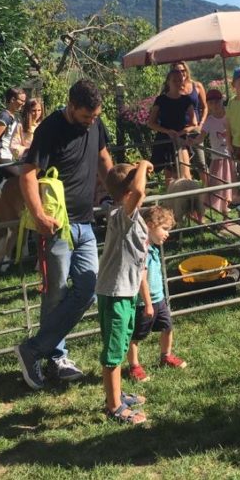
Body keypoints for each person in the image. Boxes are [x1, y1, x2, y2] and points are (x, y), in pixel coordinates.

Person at [15, 80, 113, 389]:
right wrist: (40, 216)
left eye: (95, 116)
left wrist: (119, 196)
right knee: (55, 292)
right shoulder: (50, 129)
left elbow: (104, 160)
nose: (91, 122)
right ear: (71, 106)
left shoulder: (96, 126)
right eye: (86, 116)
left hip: (86, 224)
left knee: (87, 288)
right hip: (57, 226)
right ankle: (56, 357)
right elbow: (27, 173)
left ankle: (33, 350)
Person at [96, 160, 154, 425]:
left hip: (126, 292)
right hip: (115, 293)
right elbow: (139, 192)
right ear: (128, 192)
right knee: (114, 349)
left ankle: (117, 395)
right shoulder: (122, 215)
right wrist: (142, 164)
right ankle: (114, 407)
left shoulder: (132, 217)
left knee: (120, 344)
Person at [127, 205, 186, 383]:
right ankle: (134, 366)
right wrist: (148, 304)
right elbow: (141, 279)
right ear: (150, 225)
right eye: (165, 229)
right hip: (144, 303)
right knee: (135, 336)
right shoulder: (142, 249)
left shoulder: (152, 247)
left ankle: (166, 356)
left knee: (167, 327)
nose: (168, 234)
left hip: (158, 298)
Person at [147, 68, 198, 186]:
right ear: (168, 82)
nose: (177, 83)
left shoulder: (186, 99)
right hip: (165, 140)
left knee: (185, 173)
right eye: (174, 80)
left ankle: (187, 200)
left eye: (180, 80)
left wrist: (180, 133)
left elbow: (194, 123)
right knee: (169, 176)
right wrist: (167, 131)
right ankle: (172, 202)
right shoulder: (161, 100)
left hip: (180, 139)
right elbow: (151, 123)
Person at [190, 89, 234, 217]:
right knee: (214, 186)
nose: (215, 105)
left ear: (222, 101)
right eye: (211, 103)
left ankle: (226, 213)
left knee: (229, 188)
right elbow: (201, 137)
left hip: (230, 156)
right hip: (217, 157)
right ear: (208, 104)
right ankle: (200, 212)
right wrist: (191, 141)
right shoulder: (209, 120)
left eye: (217, 102)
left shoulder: (229, 116)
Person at [170, 61, 208, 183]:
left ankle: (209, 191)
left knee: (201, 162)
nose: (181, 74)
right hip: (179, 130)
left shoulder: (197, 86)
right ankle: (186, 190)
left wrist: (201, 123)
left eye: (183, 70)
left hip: (195, 129)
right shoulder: (173, 88)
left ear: (187, 71)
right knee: (182, 164)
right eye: (177, 71)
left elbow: (205, 106)